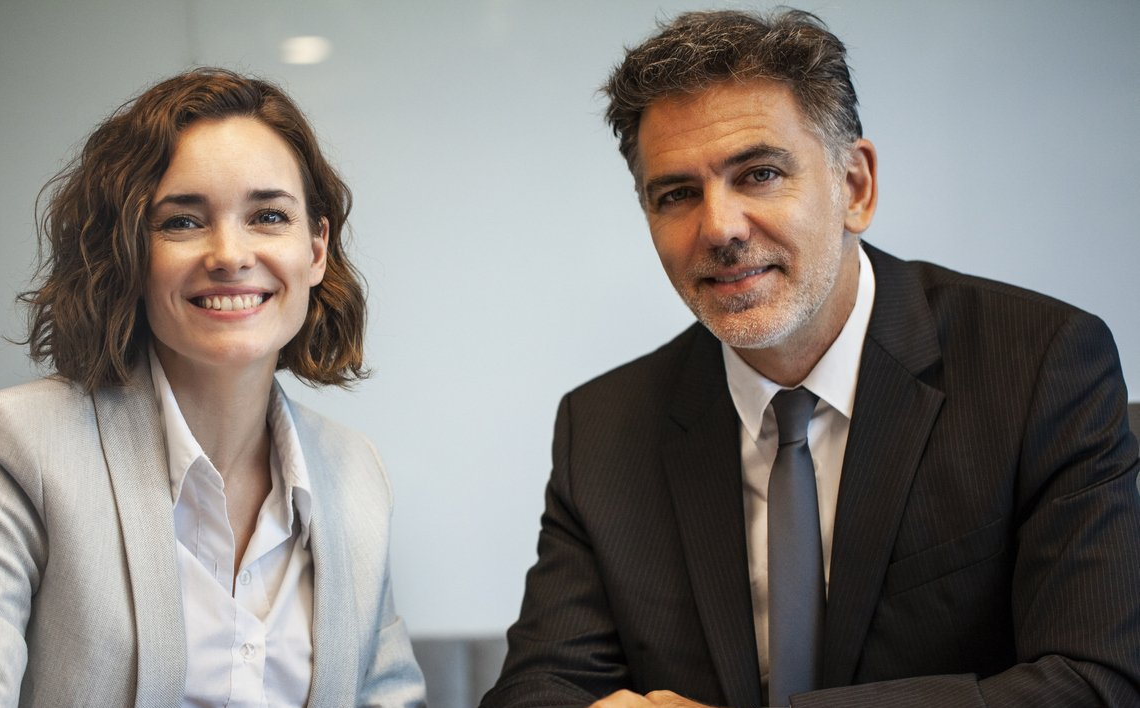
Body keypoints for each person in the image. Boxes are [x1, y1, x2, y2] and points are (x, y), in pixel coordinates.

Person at [481, 9, 1140, 708]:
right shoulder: (602, 429)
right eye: (676, 194)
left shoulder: (1039, 366)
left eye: (760, 174)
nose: (719, 228)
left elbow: (1097, 681)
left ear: (855, 186)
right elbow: (537, 690)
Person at [0, 68, 425, 708]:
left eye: (269, 216)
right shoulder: (9, 448)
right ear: (129, 254)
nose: (230, 254)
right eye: (182, 222)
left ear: (315, 250)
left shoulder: (355, 472)